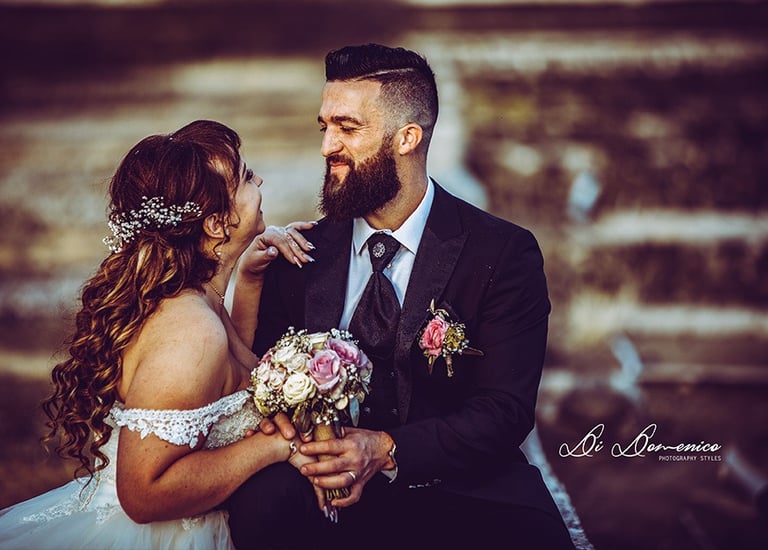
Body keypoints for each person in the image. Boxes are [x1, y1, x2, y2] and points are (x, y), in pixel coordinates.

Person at [227, 44, 574, 549]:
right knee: (260, 508)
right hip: (322, 490)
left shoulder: (502, 253)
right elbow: (259, 384)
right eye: (323, 126)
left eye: (347, 128)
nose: (327, 146)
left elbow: (504, 410)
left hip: (458, 485)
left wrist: (387, 449)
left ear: (407, 137)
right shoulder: (299, 256)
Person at [0, 120, 323, 549]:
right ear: (215, 223)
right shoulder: (191, 331)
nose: (259, 180)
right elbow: (144, 493)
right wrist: (274, 448)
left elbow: (225, 388)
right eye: (246, 176)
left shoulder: (192, 299)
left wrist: (248, 277)